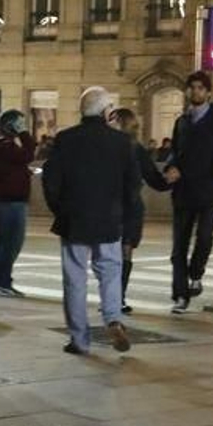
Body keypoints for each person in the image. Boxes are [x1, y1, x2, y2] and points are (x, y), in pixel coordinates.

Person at [42, 87, 138, 356]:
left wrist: (60, 209)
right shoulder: (121, 142)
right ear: (107, 111)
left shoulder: (65, 139)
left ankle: (79, 339)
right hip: (109, 219)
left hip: (74, 219)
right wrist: (125, 215)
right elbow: (132, 185)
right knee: (110, 270)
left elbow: (51, 179)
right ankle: (112, 318)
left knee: (74, 278)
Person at [164, 70, 213, 313]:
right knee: (178, 246)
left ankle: (196, 273)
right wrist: (171, 166)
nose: (195, 92)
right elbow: (175, 150)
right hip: (183, 192)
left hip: (209, 191)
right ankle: (181, 296)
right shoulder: (182, 121)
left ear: (208, 92)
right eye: (192, 88)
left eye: (200, 88)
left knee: (204, 237)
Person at [108, 106, 172, 314]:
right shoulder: (105, 147)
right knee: (110, 254)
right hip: (110, 206)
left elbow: (153, 177)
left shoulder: (136, 150)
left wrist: (170, 181)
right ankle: (112, 296)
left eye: (114, 119)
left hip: (130, 207)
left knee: (125, 251)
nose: (110, 122)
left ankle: (118, 297)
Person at [0, 109, 35, 296]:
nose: (23, 127)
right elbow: (28, 154)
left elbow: (13, 164)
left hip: (4, 198)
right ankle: (2, 282)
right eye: (20, 124)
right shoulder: (1, 144)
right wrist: (24, 134)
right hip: (9, 200)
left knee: (0, 242)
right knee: (11, 242)